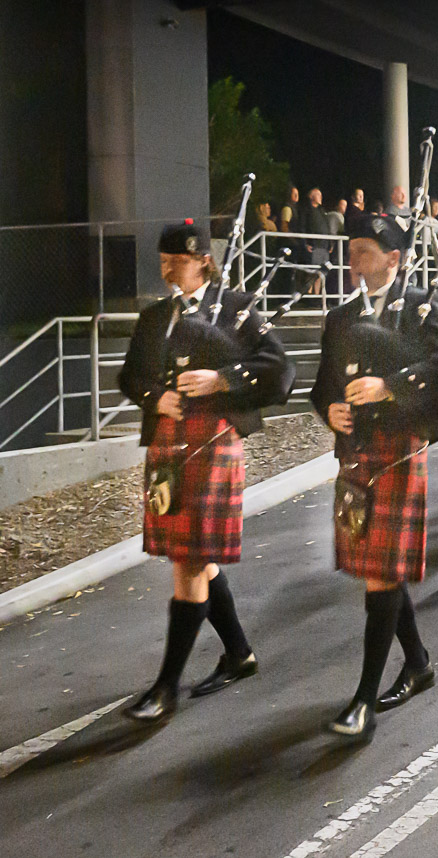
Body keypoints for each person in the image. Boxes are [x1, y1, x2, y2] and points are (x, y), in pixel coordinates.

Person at [117, 220, 292, 723]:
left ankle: (165, 688)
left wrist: (222, 378)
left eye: (179, 261)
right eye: (164, 261)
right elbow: (130, 376)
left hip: (213, 442)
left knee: (189, 562)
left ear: (204, 261)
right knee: (192, 557)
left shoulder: (236, 309)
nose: (170, 270)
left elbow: (280, 371)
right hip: (168, 446)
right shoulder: (155, 318)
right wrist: (156, 397)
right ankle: (239, 653)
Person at [309, 213, 438, 739]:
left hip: (400, 451)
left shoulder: (420, 310)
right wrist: (331, 410)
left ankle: (363, 701)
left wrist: (391, 387)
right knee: (381, 568)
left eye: (364, 252)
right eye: (351, 252)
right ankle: (418, 663)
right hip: (357, 455)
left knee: (380, 574)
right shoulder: (341, 318)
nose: (354, 262)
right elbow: (322, 386)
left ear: (394, 258)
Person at [295, 187, 334, 266]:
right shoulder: (306, 210)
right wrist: (305, 244)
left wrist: (330, 243)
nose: (321, 197)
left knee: (324, 270)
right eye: (318, 195)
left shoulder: (322, 211)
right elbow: (302, 227)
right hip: (313, 246)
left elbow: (327, 227)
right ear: (311, 196)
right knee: (313, 270)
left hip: (324, 247)